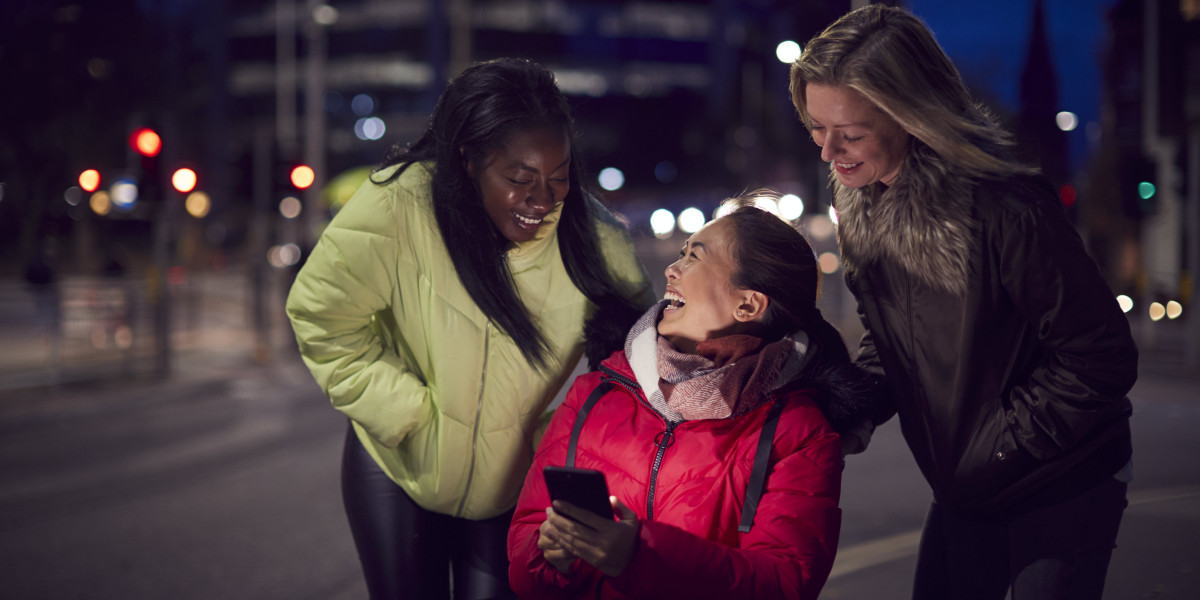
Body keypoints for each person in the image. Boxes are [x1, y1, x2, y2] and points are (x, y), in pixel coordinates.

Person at [789, 5, 1138, 599]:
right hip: (968, 489)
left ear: (910, 114)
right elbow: (892, 342)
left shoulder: (1002, 205)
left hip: (1060, 481)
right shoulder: (863, 202)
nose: (828, 152)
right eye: (817, 130)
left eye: (849, 134)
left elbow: (1100, 357)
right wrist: (849, 411)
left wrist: (1001, 445)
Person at [286, 57, 655, 600]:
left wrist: (552, 434)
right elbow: (320, 317)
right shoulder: (397, 205)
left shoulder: (592, 237)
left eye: (558, 178)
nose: (543, 200)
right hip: (397, 466)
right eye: (519, 178)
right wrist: (408, 410)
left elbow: (649, 353)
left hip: (512, 483)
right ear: (468, 158)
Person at [507, 200, 887, 600]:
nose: (672, 269)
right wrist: (549, 555)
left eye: (694, 257)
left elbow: (783, 582)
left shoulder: (798, 432)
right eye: (682, 252)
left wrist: (639, 555)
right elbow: (524, 556)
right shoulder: (596, 393)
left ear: (748, 304)